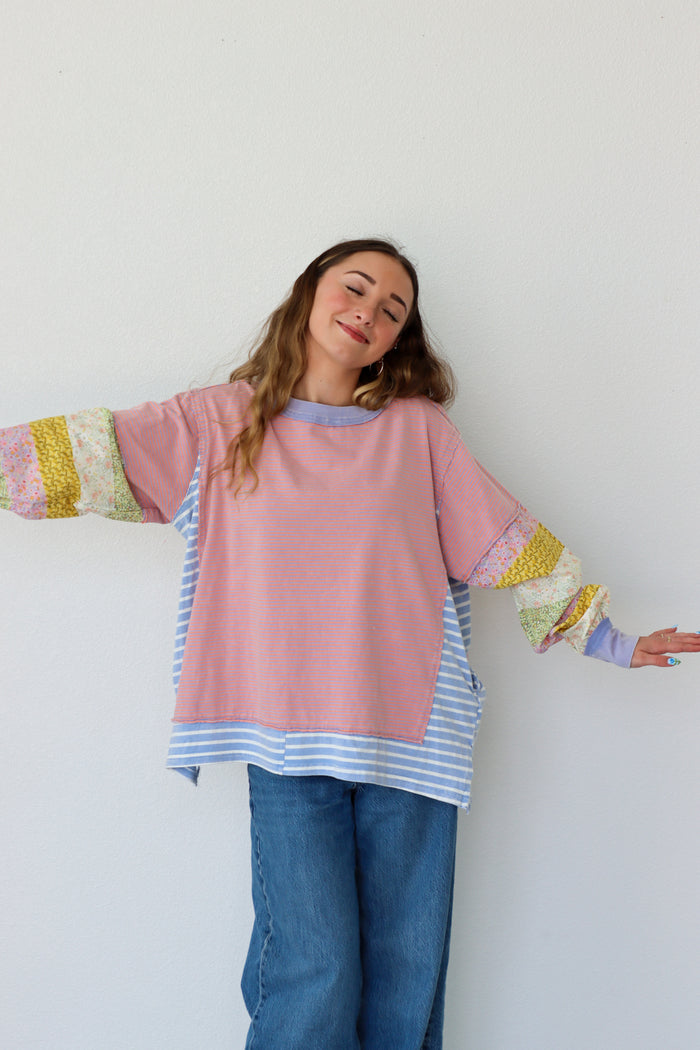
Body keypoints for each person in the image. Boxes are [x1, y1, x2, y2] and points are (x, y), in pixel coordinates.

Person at [2, 237, 698, 1050]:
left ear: (399, 338)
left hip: (412, 739)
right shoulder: (217, 422)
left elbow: (507, 541)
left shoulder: (418, 433)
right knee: (316, 971)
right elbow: (87, 452)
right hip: (284, 740)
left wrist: (610, 640)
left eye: (392, 308)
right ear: (310, 293)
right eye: (356, 287)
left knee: (406, 979)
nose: (369, 311)